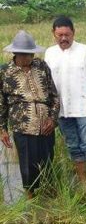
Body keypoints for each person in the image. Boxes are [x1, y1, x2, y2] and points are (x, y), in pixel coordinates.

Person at [45, 16, 86, 183]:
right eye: (60, 35)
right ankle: (83, 182)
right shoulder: (50, 53)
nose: (64, 38)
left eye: (67, 34)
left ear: (73, 33)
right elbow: (47, 83)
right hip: (62, 110)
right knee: (73, 147)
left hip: (84, 108)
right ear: (53, 34)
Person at [0, 31, 59, 198]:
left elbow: (54, 95)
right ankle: (30, 199)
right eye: (24, 54)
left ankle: (49, 198)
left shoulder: (42, 66)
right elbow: (1, 103)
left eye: (30, 54)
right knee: (27, 165)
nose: (28, 58)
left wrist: (53, 119)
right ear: (15, 54)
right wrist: (2, 128)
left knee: (47, 161)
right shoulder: (5, 72)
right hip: (23, 125)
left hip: (45, 123)